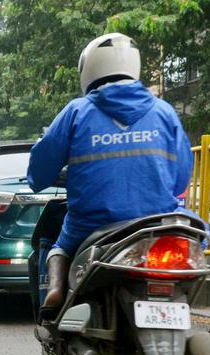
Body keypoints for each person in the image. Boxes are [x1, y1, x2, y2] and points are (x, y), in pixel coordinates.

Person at [28, 33, 194, 318]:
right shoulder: (165, 112)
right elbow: (180, 179)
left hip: (92, 225)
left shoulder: (77, 112)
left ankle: (56, 292)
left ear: (89, 69)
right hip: (158, 222)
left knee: (60, 246)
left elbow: (39, 173)